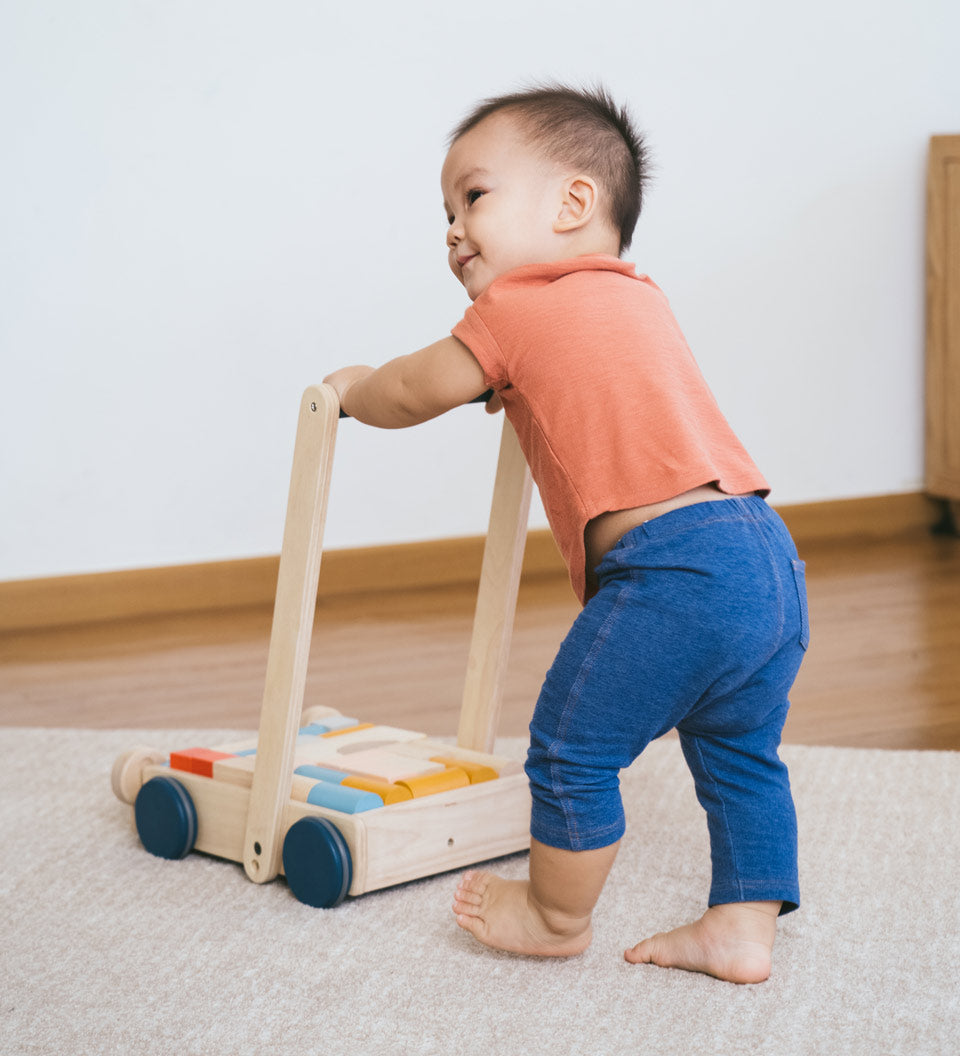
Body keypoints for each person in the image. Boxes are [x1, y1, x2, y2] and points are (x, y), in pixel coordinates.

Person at [323, 84, 808, 984]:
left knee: (570, 746)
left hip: (675, 570)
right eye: (445, 212)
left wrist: (355, 388)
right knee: (741, 750)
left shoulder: (517, 308)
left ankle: (554, 914)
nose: (452, 229)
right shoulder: (638, 300)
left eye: (473, 196)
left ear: (574, 203)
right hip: (766, 556)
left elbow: (415, 389)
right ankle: (742, 927)